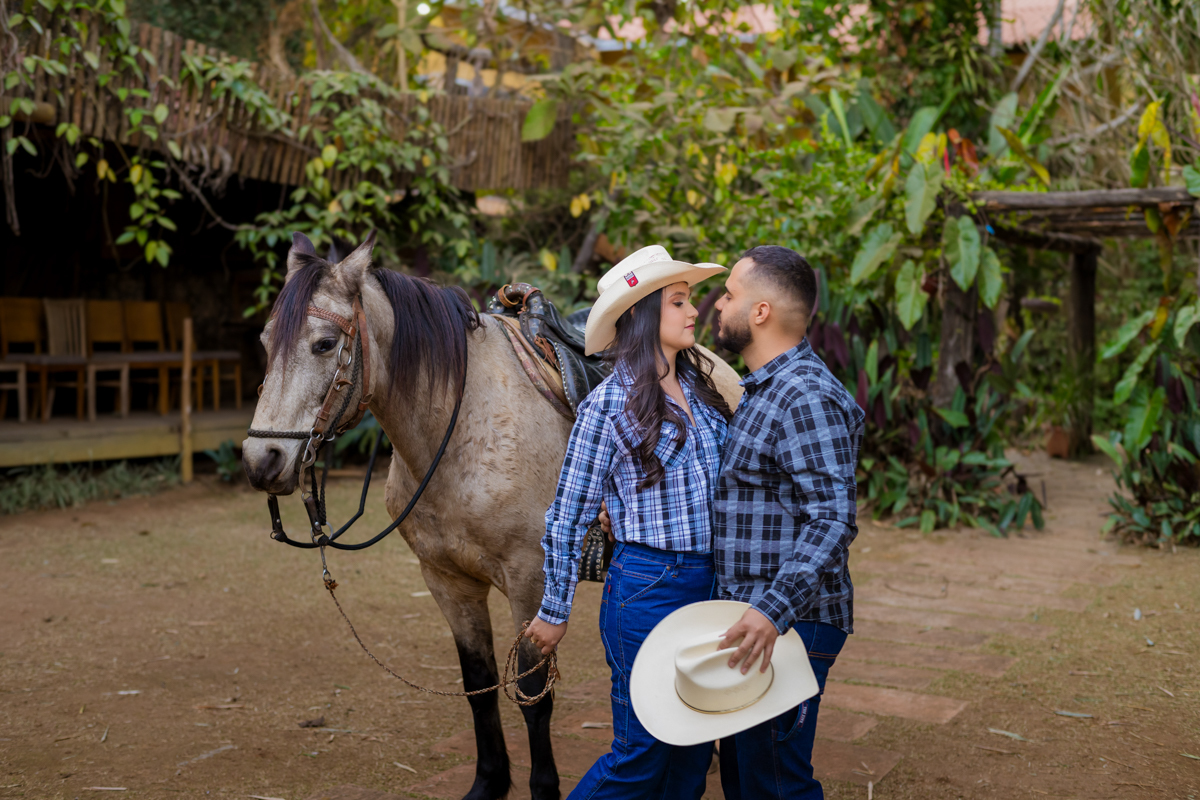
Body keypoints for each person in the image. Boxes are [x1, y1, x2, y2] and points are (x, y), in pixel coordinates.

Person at [524, 244, 734, 800]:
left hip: (713, 588)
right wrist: (553, 610)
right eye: (679, 302)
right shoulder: (608, 405)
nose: (694, 312)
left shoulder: (703, 390)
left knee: (692, 752)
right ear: (641, 314)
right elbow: (566, 515)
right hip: (648, 588)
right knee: (640, 756)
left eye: (691, 301)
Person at [710, 245, 865, 800]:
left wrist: (772, 614)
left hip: (791, 621)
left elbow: (832, 519)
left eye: (729, 294)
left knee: (775, 783)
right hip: (762, 619)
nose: (718, 305)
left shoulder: (805, 395)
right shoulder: (766, 388)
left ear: (760, 313)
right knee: (748, 778)